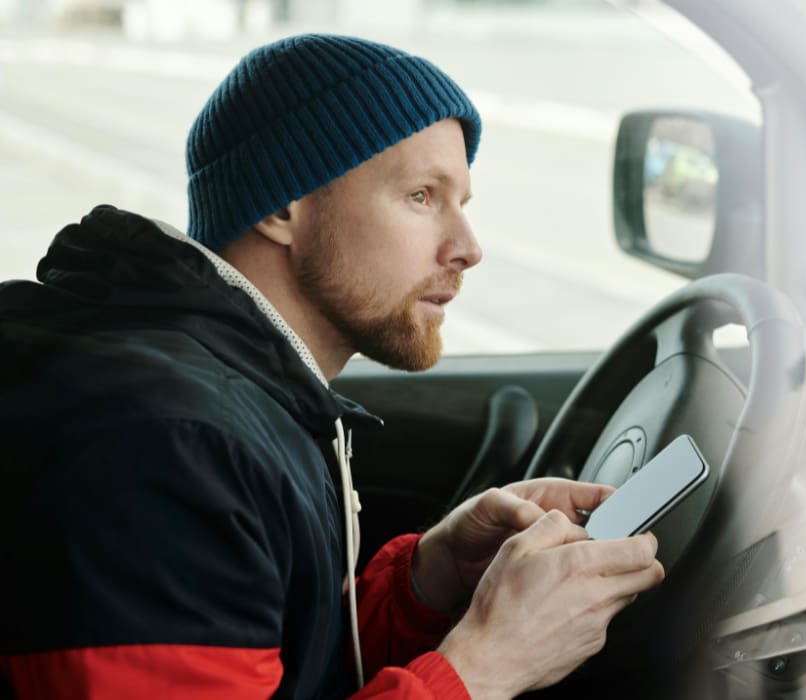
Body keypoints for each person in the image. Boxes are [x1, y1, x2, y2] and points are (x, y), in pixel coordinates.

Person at [0, 33, 665, 699]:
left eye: (463, 203)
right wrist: (489, 665)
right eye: (421, 196)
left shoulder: (248, 396)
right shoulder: (165, 445)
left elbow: (273, 660)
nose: (467, 247)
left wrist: (428, 581)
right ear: (281, 207)